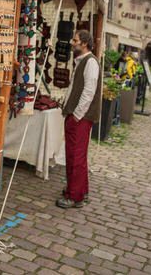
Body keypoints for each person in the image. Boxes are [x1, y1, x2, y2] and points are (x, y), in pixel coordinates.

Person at [57, 30, 100, 209]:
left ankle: (75, 196)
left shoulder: (90, 62)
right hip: (77, 116)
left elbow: (89, 91)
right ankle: (81, 190)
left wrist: (76, 115)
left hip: (80, 117)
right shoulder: (83, 61)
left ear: (84, 44)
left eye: (75, 40)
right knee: (76, 155)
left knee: (76, 156)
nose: (72, 43)